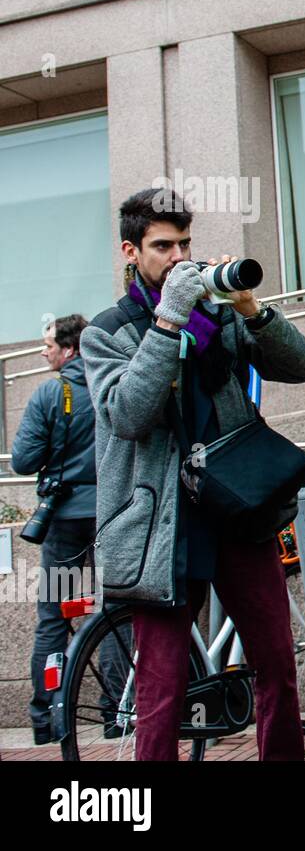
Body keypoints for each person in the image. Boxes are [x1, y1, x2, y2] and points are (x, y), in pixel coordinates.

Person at [80, 188, 305, 760]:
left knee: (276, 663)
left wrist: (251, 310)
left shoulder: (219, 317)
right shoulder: (106, 332)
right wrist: (167, 321)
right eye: (163, 246)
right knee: (162, 688)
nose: (179, 257)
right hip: (162, 525)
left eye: (185, 243)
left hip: (237, 507)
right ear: (130, 252)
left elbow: (302, 366)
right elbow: (129, 414)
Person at [12, 314, 123, 745]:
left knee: (56, 617)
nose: (43, 351)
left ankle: (49, 720)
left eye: (49, 344)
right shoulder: (109, 380)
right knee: (114, 613)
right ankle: (119, 712)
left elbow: (22, 460)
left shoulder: (48, 393)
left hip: (64, 524)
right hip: (111, 514)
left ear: (70, 348)